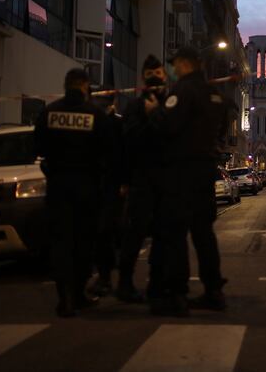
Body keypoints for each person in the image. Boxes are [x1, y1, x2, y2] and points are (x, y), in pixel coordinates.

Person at [145, 46, 227, 316]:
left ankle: (178, 294)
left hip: (182, 171)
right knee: (204, 232)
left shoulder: (183, 90)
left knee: (176, 232)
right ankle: (214, 290)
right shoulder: (214, 93)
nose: (174, 69)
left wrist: (155, 110)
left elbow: (168, 125)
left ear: (183, 64)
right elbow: (223, 127)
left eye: (175, 65)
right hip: (206, 170)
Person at [34, 68, 111, 318]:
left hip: (58, 186)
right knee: (83, 242)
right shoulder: (95, 114)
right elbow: (106, 152)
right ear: (85, 85)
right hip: (86, 187)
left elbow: (39, 148)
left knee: (61, 242)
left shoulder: (49, 112)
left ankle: (63, 298)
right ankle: (78, 294)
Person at [115, 55, 168, 303]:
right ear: (143, 77)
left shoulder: (170, 104)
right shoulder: (135, 108)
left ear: (164, 75)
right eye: (150, 73)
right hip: (142, 180)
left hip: (164, 181)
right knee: (135, 234)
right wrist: (125, 181)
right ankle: (125, 283)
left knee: (162, 236)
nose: (155, 77)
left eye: (157, 72)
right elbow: (129, 143)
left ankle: (157, 283)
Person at [91, 92, 126, 297]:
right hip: (106, 184)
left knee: (105, 231)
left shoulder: (103, 122)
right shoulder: (112, 123)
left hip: (105, 185)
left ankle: (106, 276)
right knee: (105, 231)